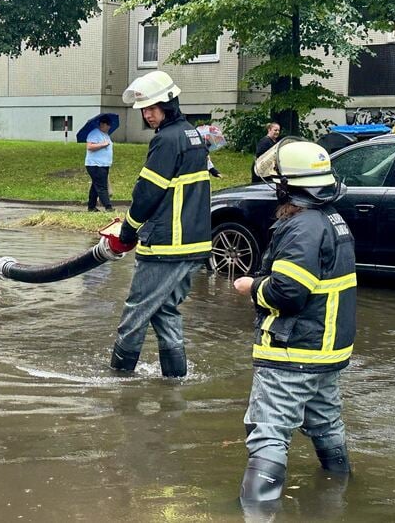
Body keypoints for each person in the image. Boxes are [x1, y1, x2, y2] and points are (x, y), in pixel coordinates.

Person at [232, 138, 357, 510]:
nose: (275, 190)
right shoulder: (331, 218)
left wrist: (252, 286)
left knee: (268, 430)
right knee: (326, 424)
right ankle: (338, 496)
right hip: (327, 351)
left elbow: (289, 293)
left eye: (278, 184)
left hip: (293, 350)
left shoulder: (301, 227)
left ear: (290, 187)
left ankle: (256, 511)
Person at [111, 71, 212, 378]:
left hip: (167, 244)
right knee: (165, 310)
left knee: (136, 312)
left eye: (152, 107)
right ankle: (176, 379)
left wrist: (127, 231)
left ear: (170, 103)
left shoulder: (166, 141)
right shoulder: (193, 135)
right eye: (144, 109)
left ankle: (117, 381)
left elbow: (146, 194)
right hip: (196, 244)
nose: (147, 114)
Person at [85, 116, 114, 212]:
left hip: (104, 164)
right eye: (108, 125)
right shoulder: (94, 133)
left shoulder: (106, 134)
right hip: (95, 164)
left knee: (95, 186)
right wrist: (103, 145)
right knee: (102, 186)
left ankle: (91, 207)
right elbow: (89, 146)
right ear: (102, 124)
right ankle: (108, 207)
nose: (109, 127)